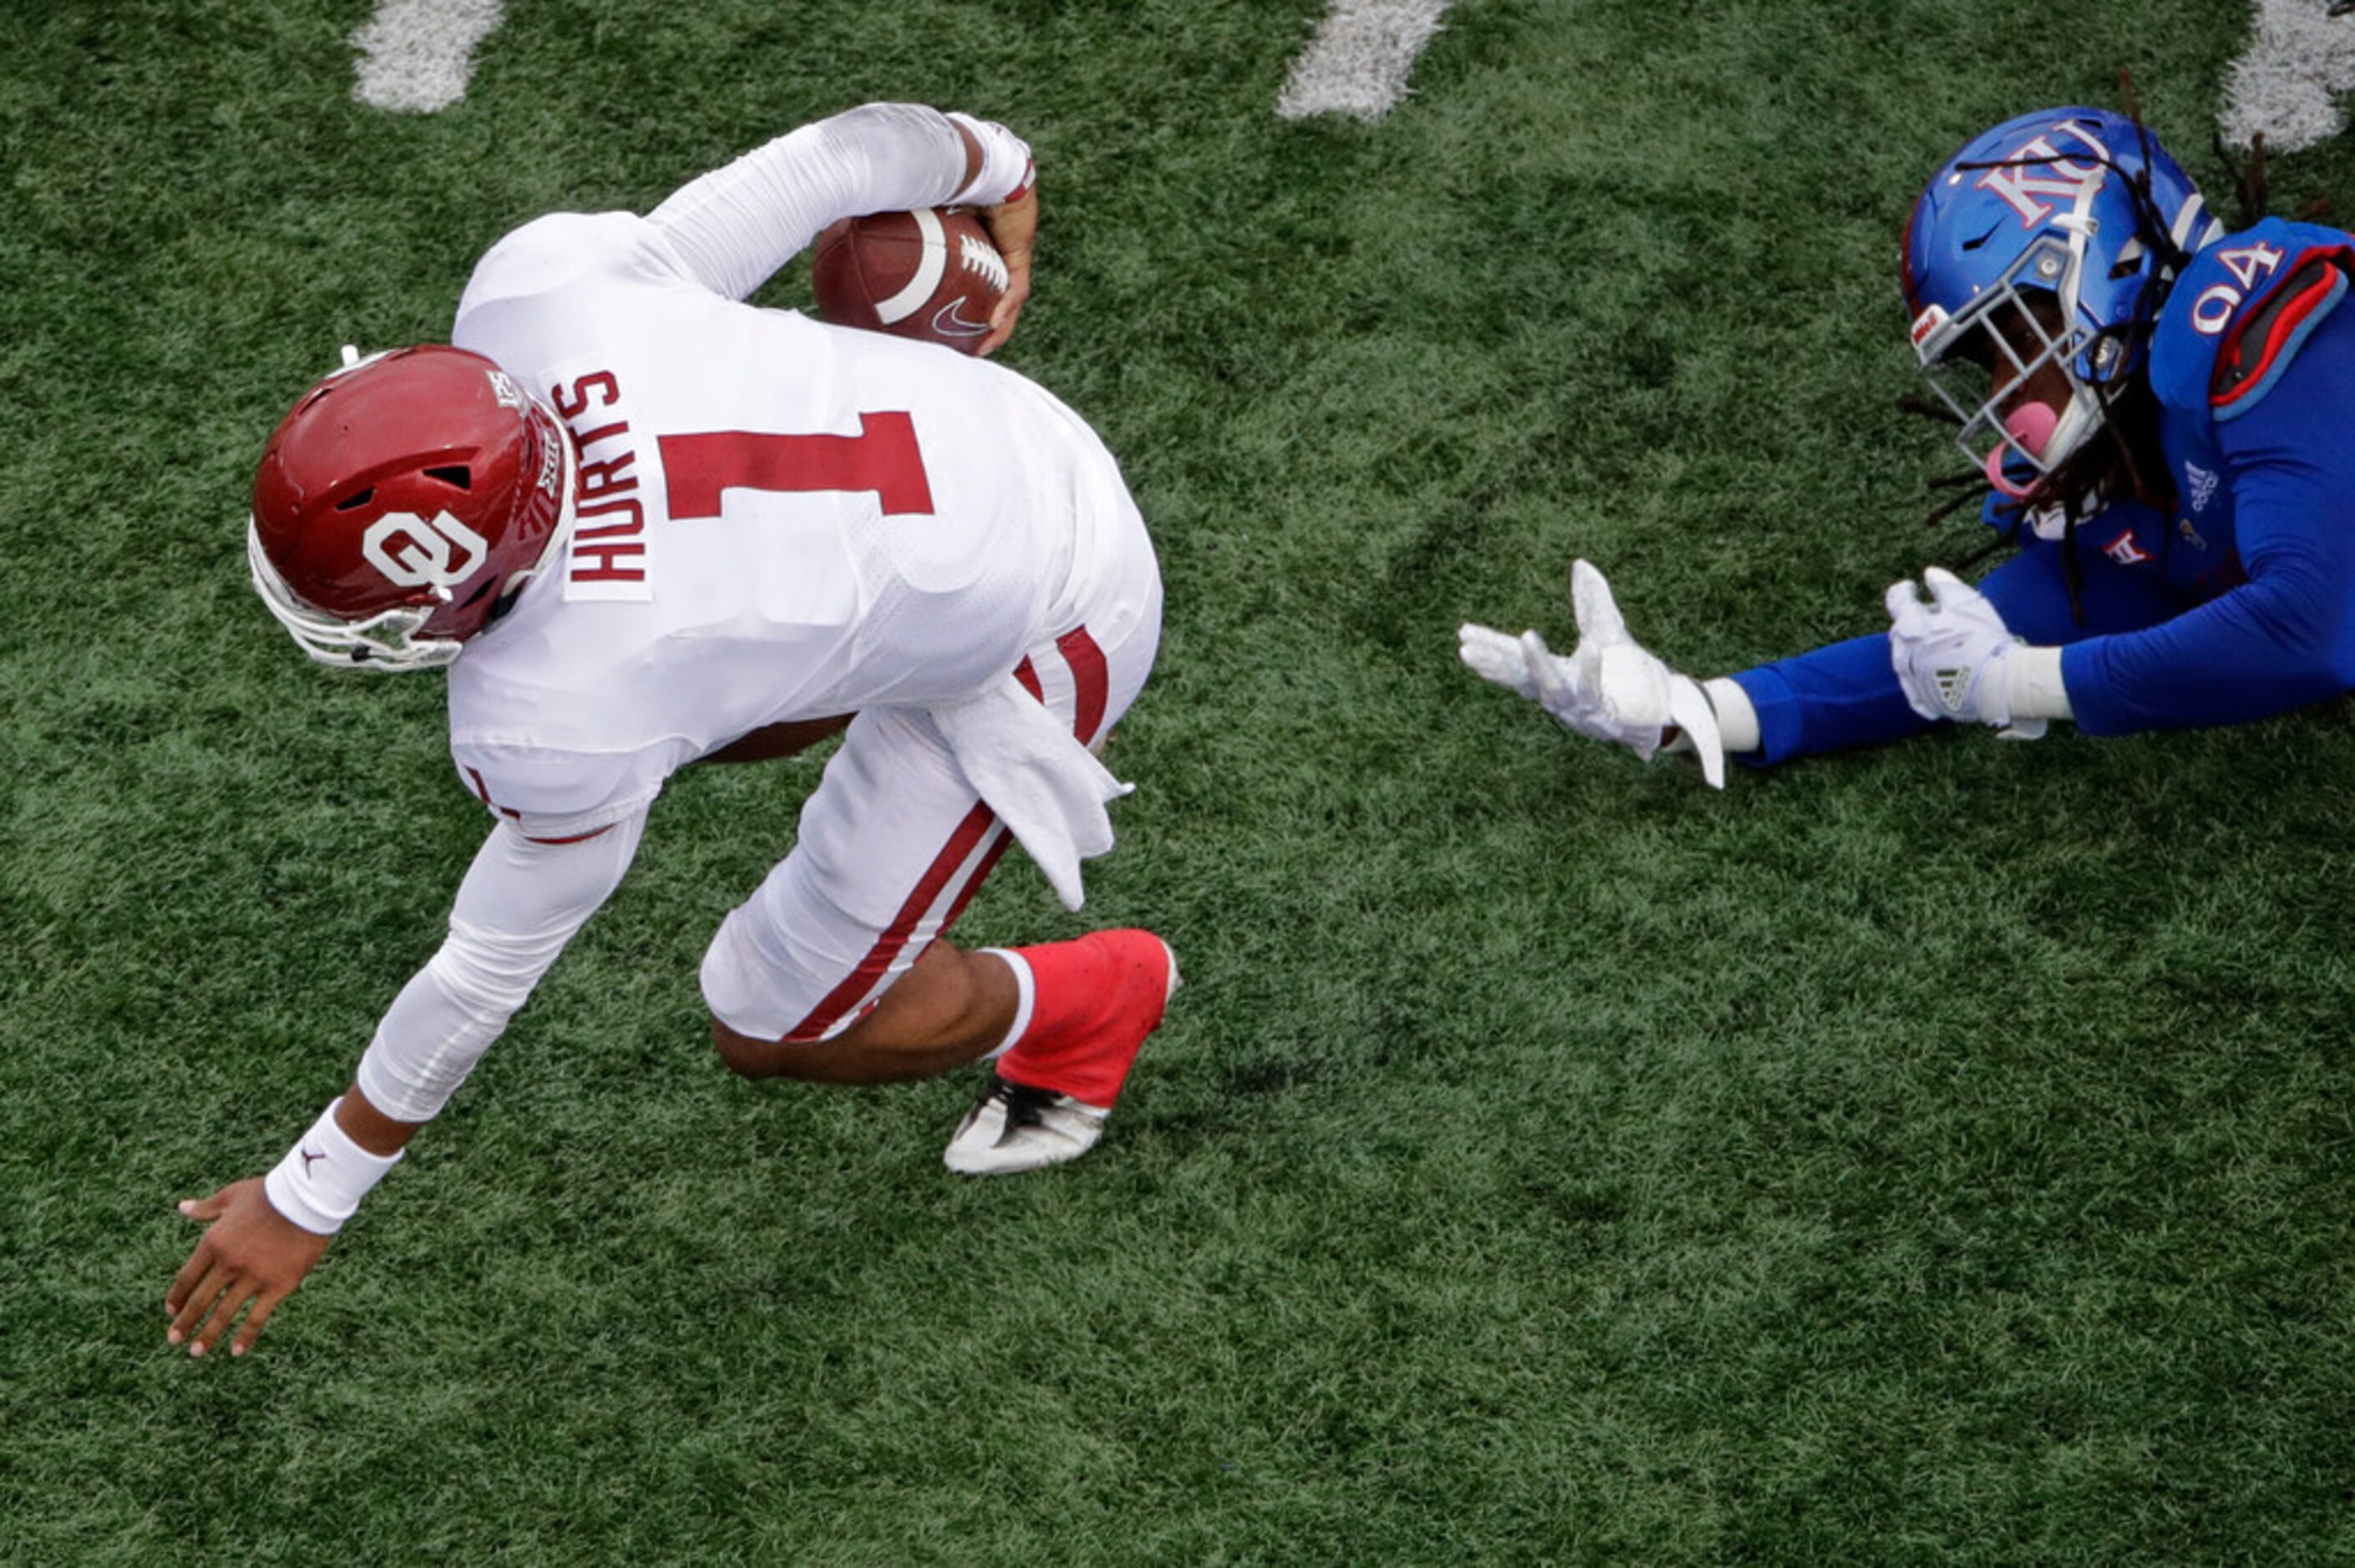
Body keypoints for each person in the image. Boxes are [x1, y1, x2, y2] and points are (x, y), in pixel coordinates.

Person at [167, 103, 1179, 1359]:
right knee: (735, 706)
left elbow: (483, 971)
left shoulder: (557, 714)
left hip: (1057, 606)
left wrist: (311, 1188)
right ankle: (872, 643)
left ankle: (1088, 1001)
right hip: (985, 432)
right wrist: (1007, 171)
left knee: (773, 1017)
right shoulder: (544, 294)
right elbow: (852, 154)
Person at [1461, 104, 2355, 776]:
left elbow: (2307, 631)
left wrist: (2025, 687)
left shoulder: (2261, 325)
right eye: (1984, 364)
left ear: (2102, 268)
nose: (2005, 393)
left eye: (2012, 338)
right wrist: (1693, 706)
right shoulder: (2123, 481)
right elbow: (1952, 661)